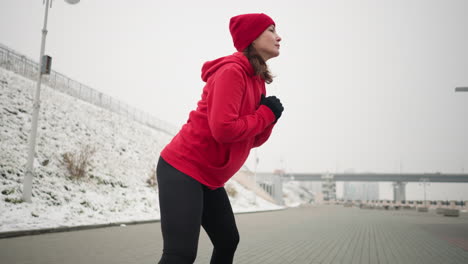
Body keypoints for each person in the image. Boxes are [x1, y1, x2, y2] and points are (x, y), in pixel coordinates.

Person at [156, 13, 284, 264]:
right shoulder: (232, 72)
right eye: (271, 30)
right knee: (180, 255)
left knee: (227, 240)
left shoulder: (256, 80)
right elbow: (224, 129)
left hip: (210, 177)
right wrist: (264, 115)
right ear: (252, 38)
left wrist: (269, 119)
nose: (278, 37)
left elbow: (249, 140)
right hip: (183, 168)